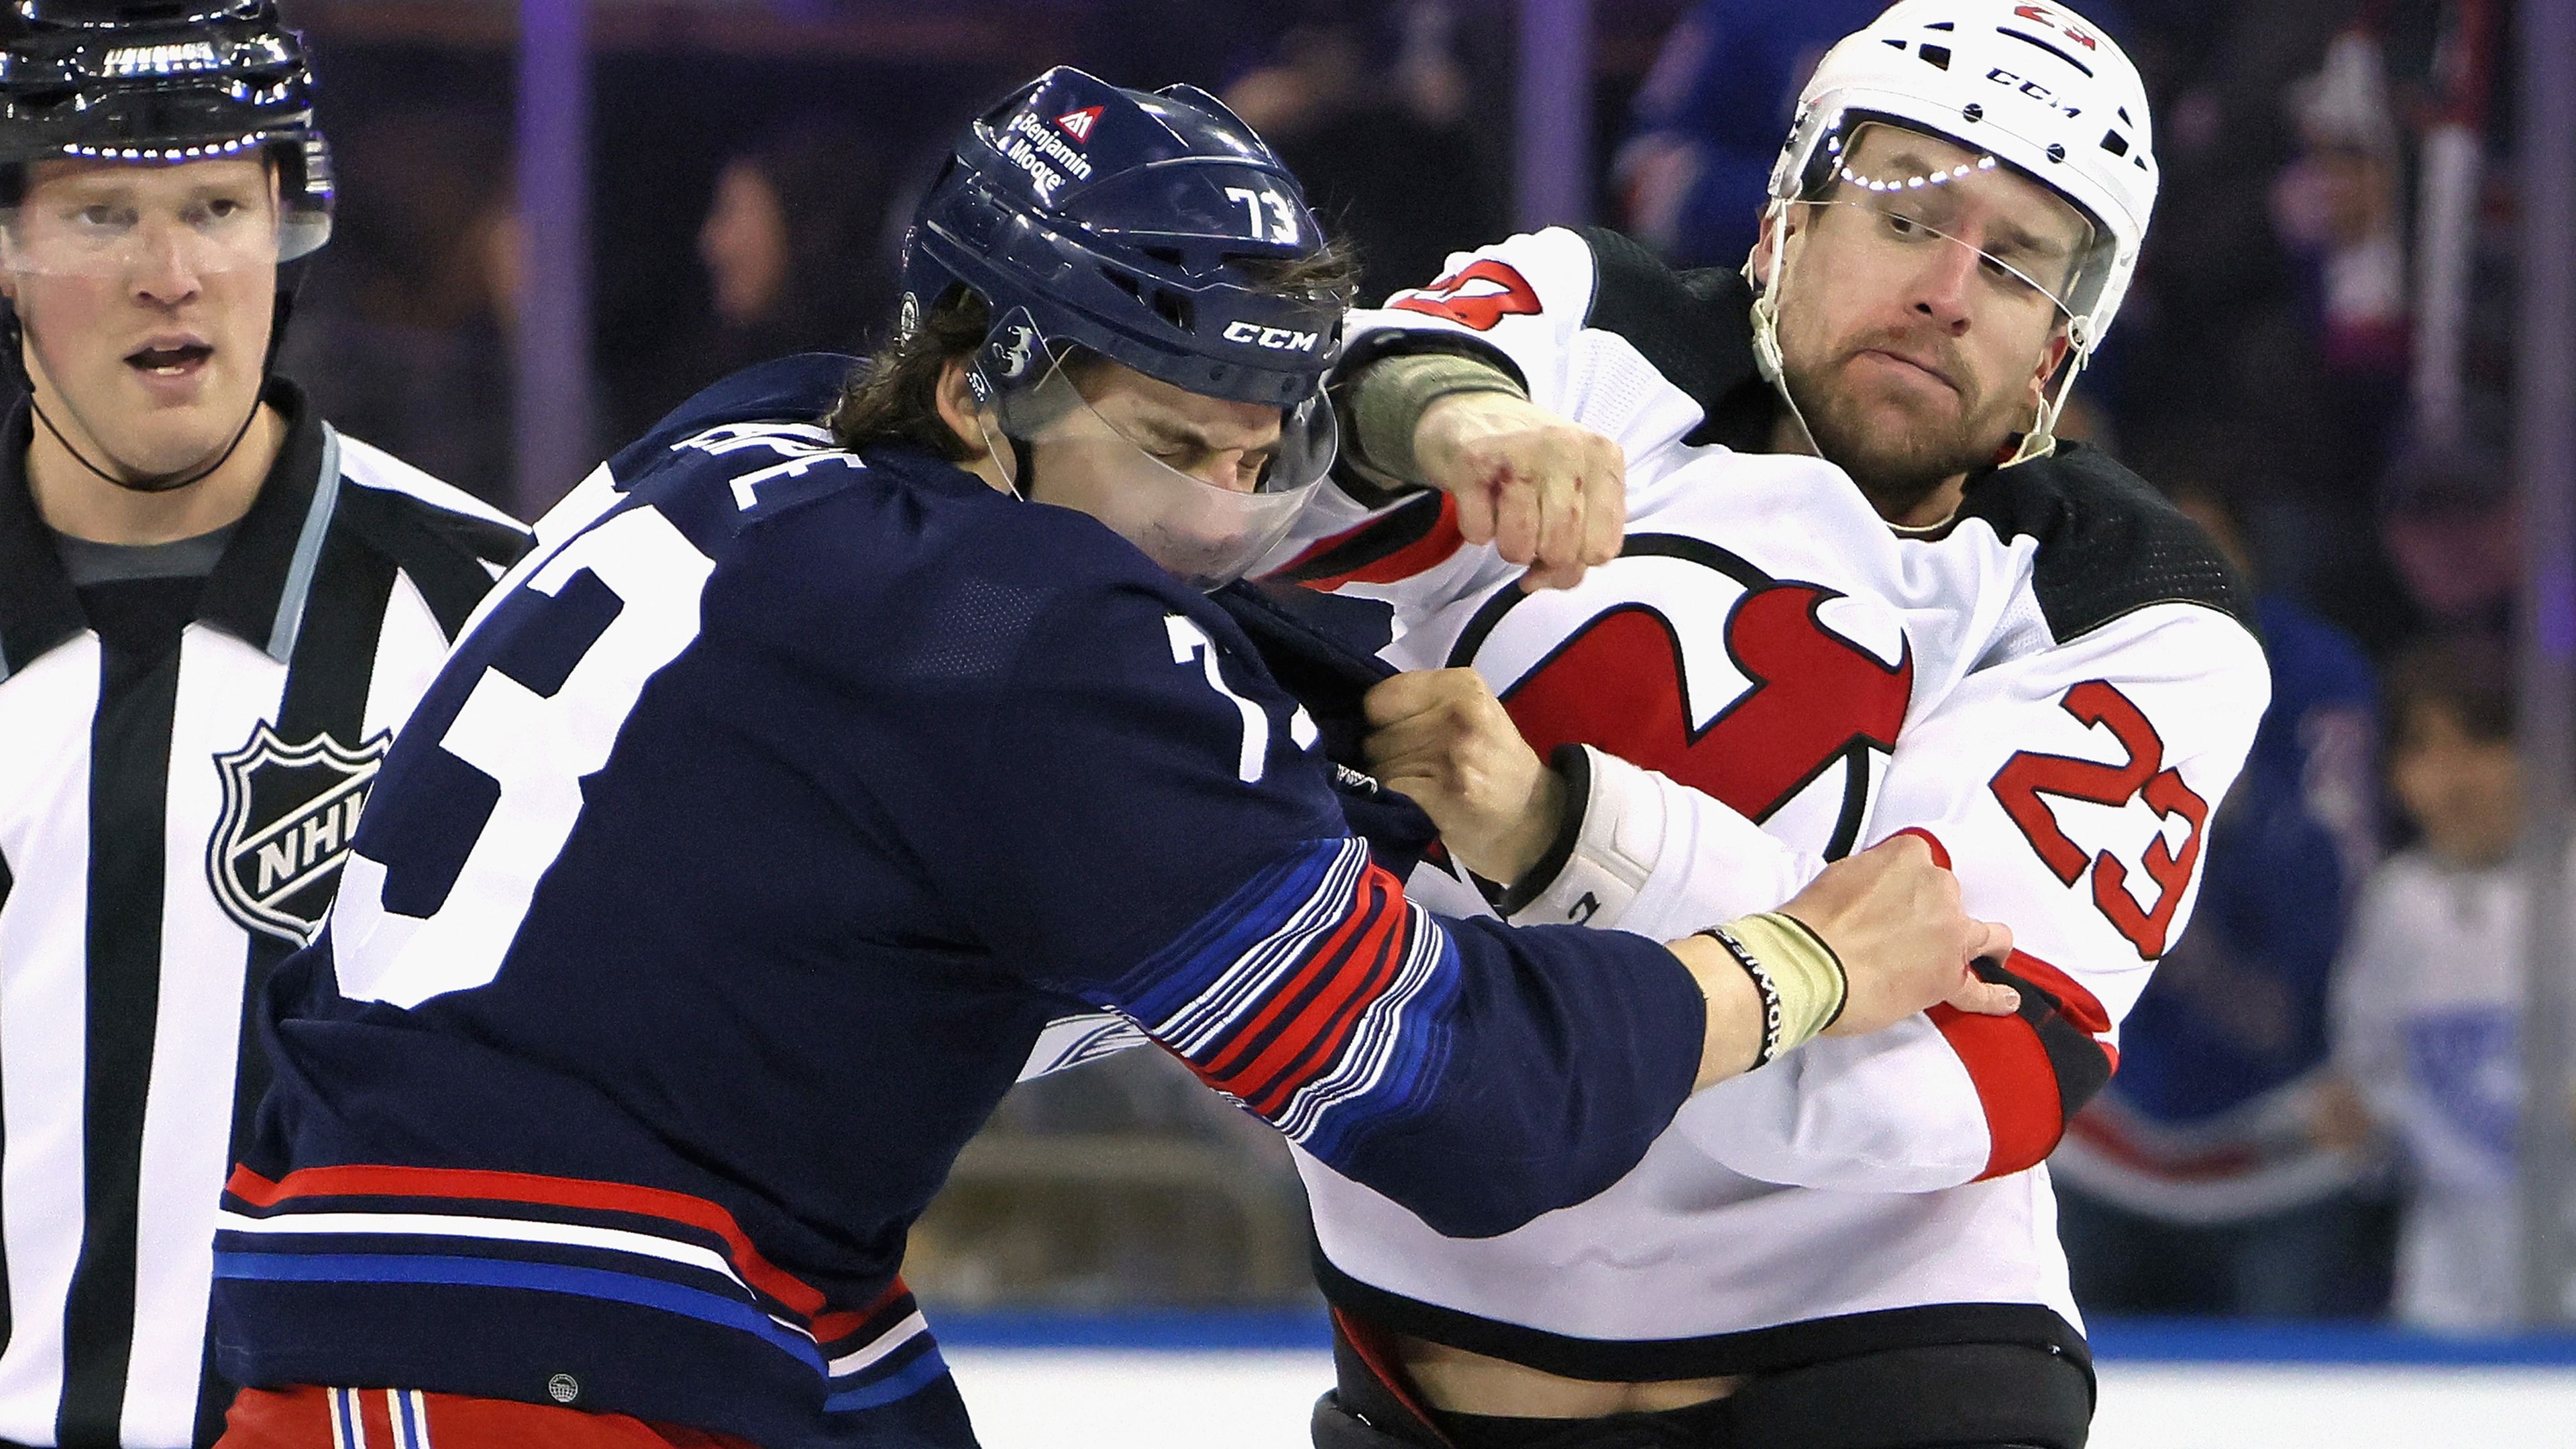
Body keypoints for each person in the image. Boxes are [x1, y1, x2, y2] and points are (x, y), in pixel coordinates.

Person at [202, 69, 2008, 1449]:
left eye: (1257, 451)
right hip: (537, 1333)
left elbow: (1015, 727)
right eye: (1170, 440)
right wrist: (1799, 965)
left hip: (537, 1288)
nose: (1223, 518)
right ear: (985, 377)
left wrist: (1369, 707)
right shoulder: (1038, 639)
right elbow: (1455, 1103)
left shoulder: (752, 436)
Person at [1255, 4, 2271, 1445]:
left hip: (1889, 1363)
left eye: (2026, 260)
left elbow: (1965, 1076)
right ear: (1787, 215)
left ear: (2062, 347)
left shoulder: (2138, 606)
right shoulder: (1591, 324)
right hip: (1421, 1365)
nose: (1950, 288)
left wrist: (1567, 837)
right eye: (1909, 205)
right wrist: (1456, 429)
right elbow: (1263, 451)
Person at [0, 5, 533, 1447]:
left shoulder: (505, 618)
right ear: (5, 247)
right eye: (105, 213)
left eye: (220, 208)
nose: (172, 277)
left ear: (289, 226)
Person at [2051, 483, 2390, 1320]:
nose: (2180, 570)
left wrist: (2248, 816)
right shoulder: (2059, 650)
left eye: (2205, 547)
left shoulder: (2313, 673)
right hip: (2095, 1134)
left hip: (2284, 1141)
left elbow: (2337, 911)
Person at [2328, 637, 2541, 1332]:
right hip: (2444, 1288)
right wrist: (2357, 1121)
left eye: (2480, 743)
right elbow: (2370, 1083)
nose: (2452, 780)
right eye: (2424, 749)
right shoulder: (2397, 902)